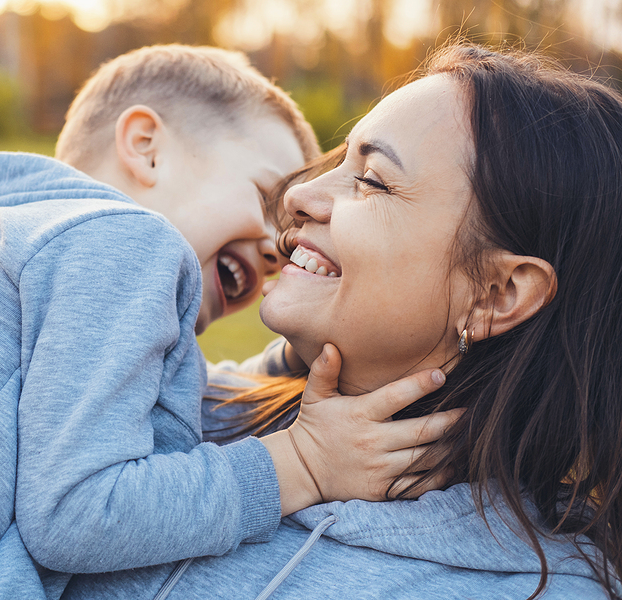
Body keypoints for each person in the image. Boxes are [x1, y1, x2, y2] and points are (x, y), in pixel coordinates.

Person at [0, 45, 455, 600]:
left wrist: (286, 369)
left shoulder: (20, 245)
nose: (282, 240)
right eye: (266, 194)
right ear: (146, 147)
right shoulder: (125, 243)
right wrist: (301, 463)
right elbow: (81, 513)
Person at [60, 43, 622, 600]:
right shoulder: (168, 414)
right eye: (339, 163)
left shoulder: (527, 589)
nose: (297, 195)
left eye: (372, 181)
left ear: (497, 294)